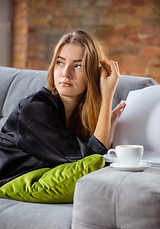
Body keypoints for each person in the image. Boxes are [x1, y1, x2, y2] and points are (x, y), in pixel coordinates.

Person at [0, 30, 126, 187]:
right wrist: (107, 96)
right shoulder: (34, 109)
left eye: (78, 65)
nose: (66, 73)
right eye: (60, 62)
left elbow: (97, 158)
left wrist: (110, 121)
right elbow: (88, 160)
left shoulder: (78, 116)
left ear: (93, 75)